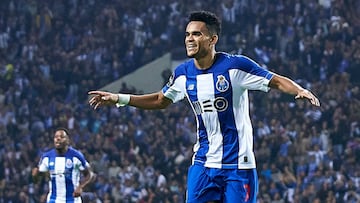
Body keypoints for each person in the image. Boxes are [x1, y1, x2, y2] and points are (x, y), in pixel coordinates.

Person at [88, 10, 320, 203]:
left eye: (197, 34)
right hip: (203, 163)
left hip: (237, 166)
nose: (190, 39)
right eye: (188, 34)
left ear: (212, 39)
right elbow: (161, 100)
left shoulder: (235, 67)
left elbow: (276, 80)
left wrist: (299, 90)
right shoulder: (182, 73)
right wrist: (118, 98)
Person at [32, 127, 96, 203]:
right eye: (56, 137)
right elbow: (37, 180)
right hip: (53, 199)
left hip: (72, 199)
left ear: (68, 140)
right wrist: (35, 176)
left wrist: (80, 187)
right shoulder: (46, 157)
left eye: (61, 137)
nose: (58, 139)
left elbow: (89, 174)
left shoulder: (76, 156)